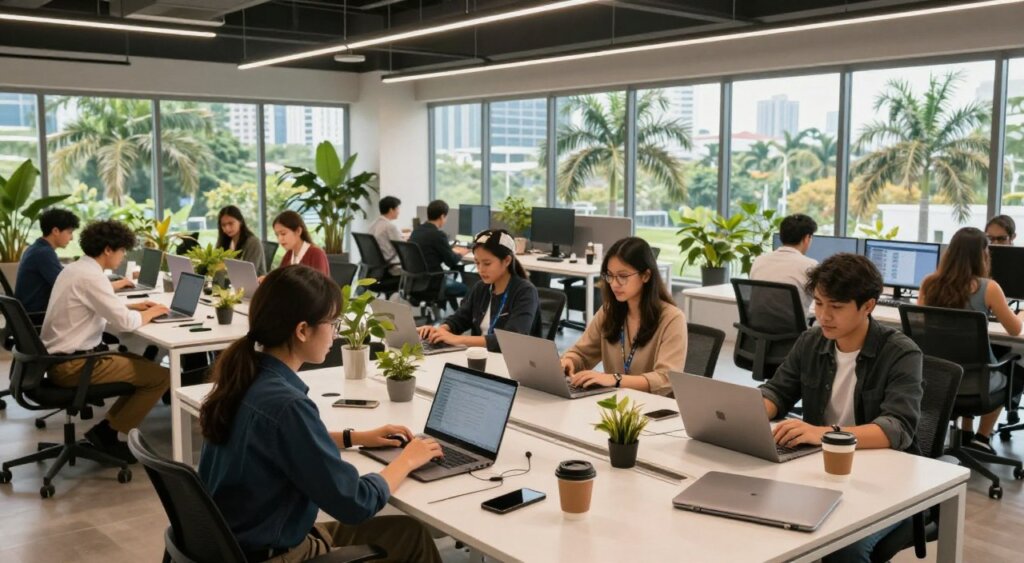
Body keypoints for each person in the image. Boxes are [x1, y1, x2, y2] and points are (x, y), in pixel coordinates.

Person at [198, 265, 443, 562]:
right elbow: (355, 503)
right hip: (275, 553)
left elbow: (277, 442)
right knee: (411, 536)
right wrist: (408, 460)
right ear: (302, 330)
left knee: (407, 530)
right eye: (332, 323)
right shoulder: (287, 404)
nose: (335, 333)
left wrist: (355, 437)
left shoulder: (246, 379)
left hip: (234, 544)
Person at [760, 253, 922, 563]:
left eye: (835, 307)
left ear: (868, 306)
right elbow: (778, 392)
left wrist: (822, 434)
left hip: (886, 481)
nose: (823, 316)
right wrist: (749, 412)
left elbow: (895, 429)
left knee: (842, 549)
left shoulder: (901, 353)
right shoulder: (811, 341)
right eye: (819, 303)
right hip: (820, 472)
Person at [40, 220, 171, 463]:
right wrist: (152, 312)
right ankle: (107, 433)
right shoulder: (92, 277)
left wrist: (132, 305)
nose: (123, 257)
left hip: (58, 360)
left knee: (140, 363)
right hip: (74, 366)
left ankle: (106, 432)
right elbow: (126, 323)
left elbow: (97, 305)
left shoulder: (75, 269)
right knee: (161, 377)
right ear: (108, 249)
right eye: (122, 251)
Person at [918, 227, 1024, 454]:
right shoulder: (989, 288)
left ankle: (965, 431)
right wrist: (1021, 313)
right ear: (982, 255)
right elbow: (1015, 330)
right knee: (1015, 369)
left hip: (938, 378)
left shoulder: (928, 283)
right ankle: (982, 438)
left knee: (975, 354)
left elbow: (923, 324)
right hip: (976, 385)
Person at [559, 237, 686, 396]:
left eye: (623, 276)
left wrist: (615, 379)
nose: (614, 284)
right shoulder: (608, 312)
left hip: (650, 409)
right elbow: (581, 353)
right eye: (609, 275)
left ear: (645, 276)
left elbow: (665, 379)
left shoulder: (672, 319)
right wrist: (569, 361)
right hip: (614, 406)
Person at [418, 230, 539, 352]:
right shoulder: (481, 287)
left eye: (487, 263)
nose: (480, 269)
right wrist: (441, 330)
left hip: (508, 362)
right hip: (479, 357)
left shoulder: (525, 292)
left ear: (507, 260)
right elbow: (461, 318)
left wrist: (457, 339)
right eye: (477, 263)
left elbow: (511, 340)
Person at [14, 208, 133, 314]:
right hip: (37, 314)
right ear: (55, 231)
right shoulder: (43, 253)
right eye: (69, 232)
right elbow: (68, 286)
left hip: (30, 312)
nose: (71, 238)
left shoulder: (37, 248)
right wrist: (116, 284)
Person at [750, 213, 819, 311]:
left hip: (757, 324)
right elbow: (821, 299)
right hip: (793, 326)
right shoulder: (811, 265)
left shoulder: (759, 260)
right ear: (807, 238)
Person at [409, 199, 468, 304]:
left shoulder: (416, 231)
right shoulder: (438, 235)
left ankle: (447, 313)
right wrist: (461, 253)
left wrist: (449, 250)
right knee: (469, 290)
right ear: (442, 216)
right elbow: (451, 261)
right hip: (433, 283)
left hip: (415, 283)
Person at [271, 210, 329, 277]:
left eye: (283, 234)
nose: (280, 239)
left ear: (298, 231)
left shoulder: (316, 254)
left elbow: (320, 285)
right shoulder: (288, 255)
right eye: (277, 235)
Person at [217, 205, 266, 276]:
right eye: (223, 225)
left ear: (240, 221)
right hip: (231, 284)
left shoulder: (253, 242)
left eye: (231, 223)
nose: (227, 228)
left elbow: (248, 273)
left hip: (254, 285)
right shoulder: (225, 241)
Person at [367, 195, 403, 277]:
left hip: (376, 267)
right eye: (397, 208)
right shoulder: (389, 226)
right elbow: (403, 247)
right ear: (391, 209)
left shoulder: (373, 224)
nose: (399, 211)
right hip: (391, 267)